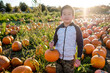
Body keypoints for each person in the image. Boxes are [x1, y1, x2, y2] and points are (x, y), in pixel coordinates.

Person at [49, 5, 83, 73]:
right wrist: (52, 44)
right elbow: (55, 40)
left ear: (73, 17)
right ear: (61, 17)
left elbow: (80, 43)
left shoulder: (76, 29)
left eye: (69, 14)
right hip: (58, 57)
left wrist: (79, 58)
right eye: (64, 14)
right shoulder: (58, 28)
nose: (66, 16)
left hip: (70, 59)